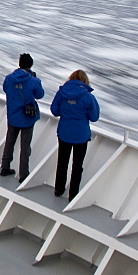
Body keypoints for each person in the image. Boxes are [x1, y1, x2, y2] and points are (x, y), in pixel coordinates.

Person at [51, 69, 100, 200]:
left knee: (62, 162)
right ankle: (73, 194)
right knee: (77, 166)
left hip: (64, 132)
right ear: (85, 81)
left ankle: (58, 189)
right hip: (81, 135)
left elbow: (54, 110)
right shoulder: (88, 97)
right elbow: (94, 116)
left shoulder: (62, 93)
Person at [0, 53, 45, 181]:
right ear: (30, 65)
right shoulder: (33, 80)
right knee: (25, 147)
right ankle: (23, 174)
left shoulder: (9, 78)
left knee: (9, 142)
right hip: (27, 117)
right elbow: (40, 94)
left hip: (13, 115)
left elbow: (6, 89)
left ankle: (4, 167)